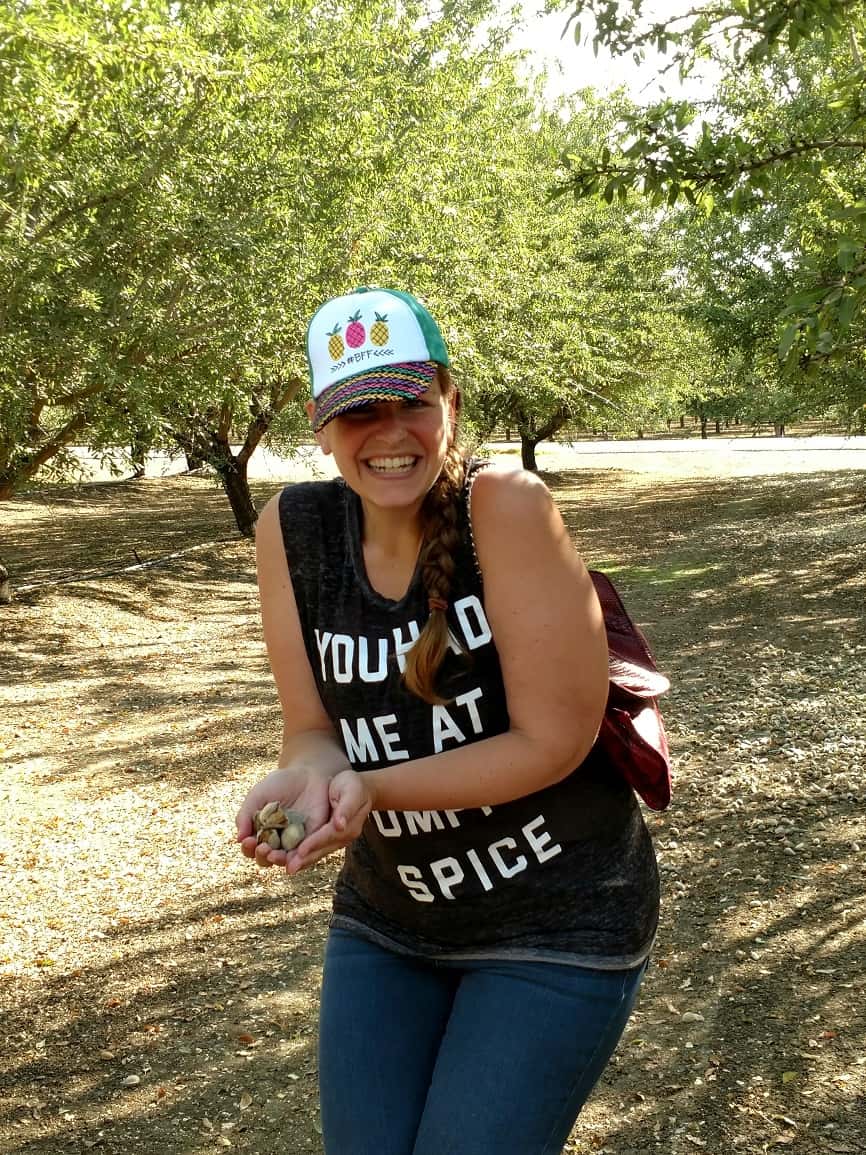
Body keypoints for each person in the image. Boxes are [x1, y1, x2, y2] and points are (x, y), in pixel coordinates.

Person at [236, 286, 660, 1155]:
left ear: (450, 402)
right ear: (319, 427)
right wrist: (307, 778)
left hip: (558, 918)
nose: (390, 433)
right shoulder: (293, 529)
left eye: (410, 402)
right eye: (358, 412)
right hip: (393, 917)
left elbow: (554, 739)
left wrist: (369, 788)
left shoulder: (504, 505)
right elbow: (312, 728)